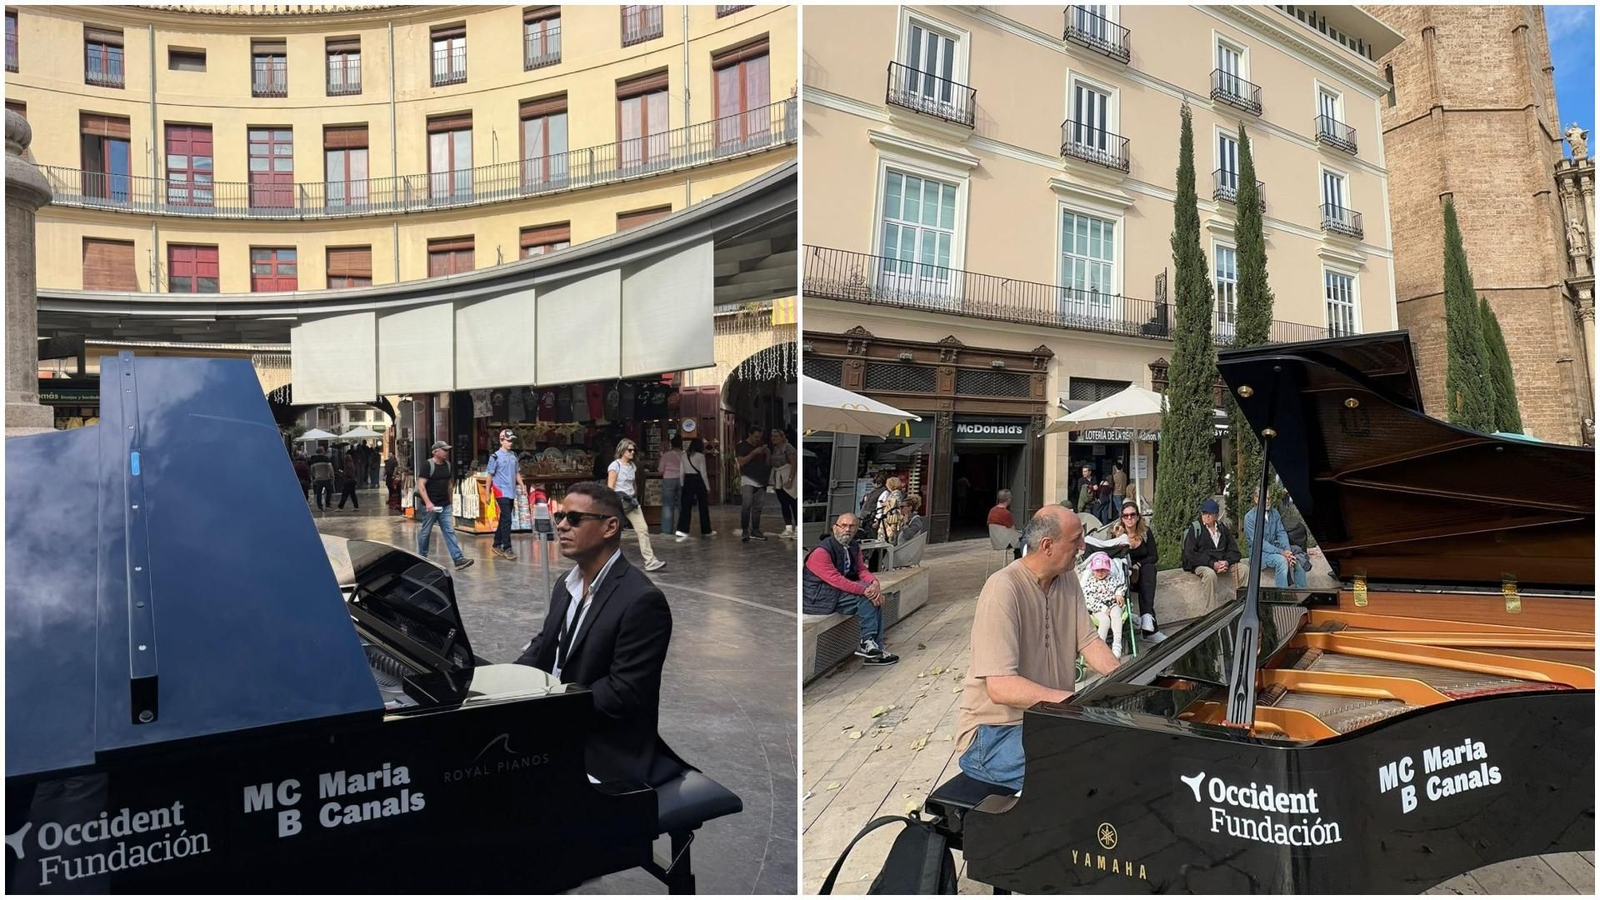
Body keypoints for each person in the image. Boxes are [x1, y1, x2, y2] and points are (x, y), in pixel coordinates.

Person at [513, 482, 683, 785]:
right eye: (560, 517)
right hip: (553, 727)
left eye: (574, 518)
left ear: (610, 527)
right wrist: (505, 681)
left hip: (602, 748)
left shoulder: (642, 601)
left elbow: (622, 693)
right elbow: (546, 644)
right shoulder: (566, 583)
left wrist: (549, 711)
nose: (562, 526)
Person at [956, 506, 1121, 791]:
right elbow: (1001, 687)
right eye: (1076, 540)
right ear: (1047, 546)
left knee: (1118, 746)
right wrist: (1077, 703)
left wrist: (1128, 684)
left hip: (1047, 719)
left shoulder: (1067, 578)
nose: (1083, 546)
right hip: (993, 734)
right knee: (1089, 766)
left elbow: (1089, 641)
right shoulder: (1002, 588)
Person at [802, 513, 898, 666]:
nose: (847, 529)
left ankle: (872, 647)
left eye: (851, 526)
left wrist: (874, 583)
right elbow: (836, 579)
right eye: (843, 526)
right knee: (869, 596)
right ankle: (870, 644)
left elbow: (860, 569)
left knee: (875, 598)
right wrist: (865, 590)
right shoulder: (821, 552)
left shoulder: (853, 546)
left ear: (856, 529)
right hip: (818, 598)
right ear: (835, 528)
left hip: (835, 593)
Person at [606, 439, 666, 572]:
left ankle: (650, 560)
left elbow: (633, 484)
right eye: (629, 450)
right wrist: (612, 504)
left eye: (634, 450)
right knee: (612, 533)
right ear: (622, 451)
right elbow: (610, 487)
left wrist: (635, 496)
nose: (632, 452)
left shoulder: (632, 466)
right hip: (619, 502)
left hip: (631, 502)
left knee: (643, 529)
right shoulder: (615, 466)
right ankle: (604, 561)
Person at [416, 440, 473, 571]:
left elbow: (449, 484)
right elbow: (421, 485)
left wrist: (451, 502)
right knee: (425, 532)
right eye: (444, 450)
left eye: (447, 450)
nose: (447, 452)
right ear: (435, 452)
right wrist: (428, 503)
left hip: (445, 505)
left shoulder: (447, 465)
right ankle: (421, 558)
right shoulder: (427, 465)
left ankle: (458, 559)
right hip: (430, 507)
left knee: (449, 531)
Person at [1110, 501, 1164, 639]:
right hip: (1124, 576)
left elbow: (1153, 556)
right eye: (1126, 515)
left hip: (1142, 575)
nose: (1129, 518)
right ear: (1122, 518)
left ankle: (1147, 618)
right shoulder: (1116, 533)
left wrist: (1138, 565)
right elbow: (1112, 559)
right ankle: (1148, 629)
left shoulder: (1145, 532)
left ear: (1138, 516)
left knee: (1149, 569)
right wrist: (1119, 540)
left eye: (1132, 515)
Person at [1180, 499, 1240, 610]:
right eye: (1204, 513)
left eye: (1210, 514)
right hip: (1201, 564)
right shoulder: (1195, 529)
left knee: (1243, 570)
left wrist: (1226, 562)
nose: (1207, 516)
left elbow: (1234, 551)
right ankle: (1211, 611)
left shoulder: (1222, 528)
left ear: (1216, 516)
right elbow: (1190, 554)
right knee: (1210, 575)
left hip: (1221, 563)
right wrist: (1212, 563)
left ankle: (1243, 605)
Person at [1243, 487, 1307, 589]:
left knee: (1298, 560)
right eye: (1265, 498)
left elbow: (1281, 532)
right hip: (1259, 553)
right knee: (1282, 561)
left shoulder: (1274, 513)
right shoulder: (1249, 518)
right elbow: (1260, 543)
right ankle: (1282, 595)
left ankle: (1302, 593)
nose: (1268, 501)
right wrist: (1281, 552)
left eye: (1269, 498)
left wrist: (1288, 551)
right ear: (1256, 499)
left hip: (1275, 548)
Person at [487, 429, 526, 560]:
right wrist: (487, 493)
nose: (510, 443)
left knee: (505, 517)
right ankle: (507, 547)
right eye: (508, 440)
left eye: (511, 441)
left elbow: (516, 472)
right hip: (500, 490)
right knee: (507, 519)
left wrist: (522, 485)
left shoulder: (513, 455)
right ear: (501, 440)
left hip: (511, 491)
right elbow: (489, 475)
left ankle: (496, 543)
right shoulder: (495, 457)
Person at [1081, 551, 1127, 658]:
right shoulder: (1090, 582)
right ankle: (1100, 647)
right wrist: (1102, 608)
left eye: (1103, 569)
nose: (1100, 572)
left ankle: (1117, 643)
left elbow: (1121, 586)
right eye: (1097, 570)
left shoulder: (1112, 578)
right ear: (1092, 570)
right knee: (1105, 621)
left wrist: (1118, 594)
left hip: (1113, 604)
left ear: (1108, 569)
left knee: (1116, 614)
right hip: (1098, 608)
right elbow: (1088, 600)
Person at [673, 437, 715, 541]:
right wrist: (707, 486)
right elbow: (703, 473)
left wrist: (682, 484)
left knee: (685, 506)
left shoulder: (683, 456)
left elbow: (681, 472)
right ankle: (706, 530)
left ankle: (682, 530)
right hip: (698, 480)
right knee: (703, 507)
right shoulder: (701, 456)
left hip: (688, 480)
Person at [734, 426, 770, 542]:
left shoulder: (761, 444)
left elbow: (767, 463)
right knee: (746, 505)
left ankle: (755, 530)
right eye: (756, 437)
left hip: (761, 479)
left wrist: (768, 454)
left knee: (758, 507)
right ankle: (745, 530)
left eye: (759, 437)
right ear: (750, 434)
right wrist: (754, 453)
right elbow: (741, 462)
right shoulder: (741, 446)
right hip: (747, 478)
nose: (757, 439)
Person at [769, 429, 798, 538]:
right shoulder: (775, 449)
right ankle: (788, 528)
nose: (773, 438)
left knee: (793, 502)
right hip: (778, 478)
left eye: (776, 436)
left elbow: (794, 463)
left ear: (782, 437)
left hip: (787, 475)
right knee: (784, 503)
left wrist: (790, 479)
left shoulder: (788, 447)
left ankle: (798, 529)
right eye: (772, 436)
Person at [657, 436, 683, 537]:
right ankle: (681, 528)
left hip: (668, 479)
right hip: (681, 480)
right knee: (681, 505)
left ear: (671, 444)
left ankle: (666, 530)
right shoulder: (684, 455)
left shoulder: (666, 455)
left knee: (667, 505)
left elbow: (660, 470)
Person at [858, 471, 888, 540]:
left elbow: (881, 507)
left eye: (878, 483)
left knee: (871, 536)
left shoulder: (884, 491)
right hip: (865, 517)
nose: (876, 484)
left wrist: (877, 520)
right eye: (874, 482)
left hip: (872, 518)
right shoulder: (874, 490)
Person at [876, 475, 905, 542]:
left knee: (889, 535)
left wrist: (885, 504)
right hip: (890, 517)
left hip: (892, 518)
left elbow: (894, 504)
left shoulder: (896, 494)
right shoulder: (894, 493)